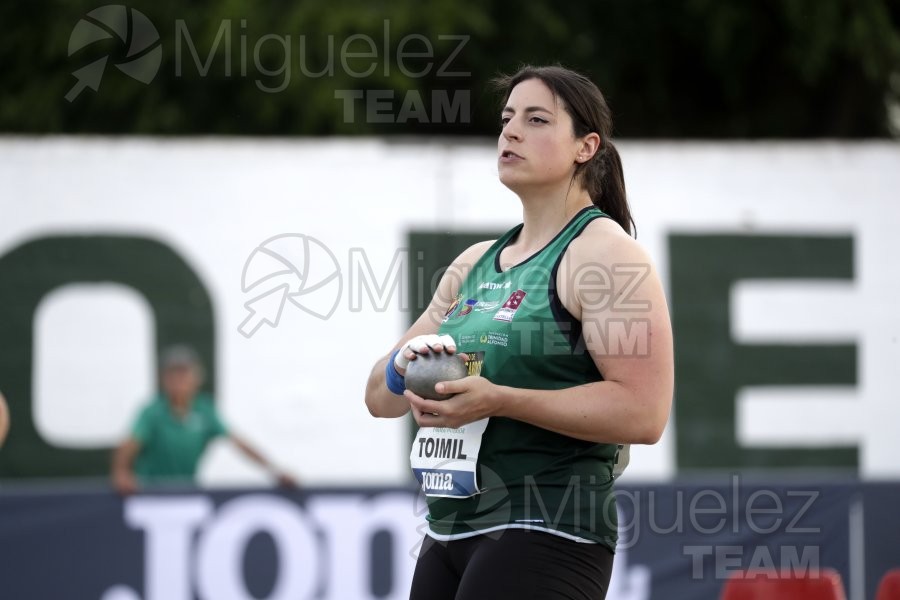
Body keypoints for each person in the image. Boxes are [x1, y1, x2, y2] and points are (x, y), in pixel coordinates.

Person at [364, 65, 674, 599]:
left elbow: (644, 414)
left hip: (549, 526)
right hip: (447, 530)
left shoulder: (605, 253)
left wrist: (499, 400)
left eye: (535, 120)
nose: (510, 131)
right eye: (508, 118)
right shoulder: (473, 264)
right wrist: (405, 367)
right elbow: (378, 398)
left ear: (585, 146)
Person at [112, 345, 296, 494]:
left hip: (186, 491)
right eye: (172, 374)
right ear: (164, 379)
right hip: (151, 493)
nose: (178, 380)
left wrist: (274, 471)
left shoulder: (205, 411)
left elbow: (239, 444)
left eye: (184, 373)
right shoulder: (152, 412)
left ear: (196, 377)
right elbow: (129, 444)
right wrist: (121, 473)